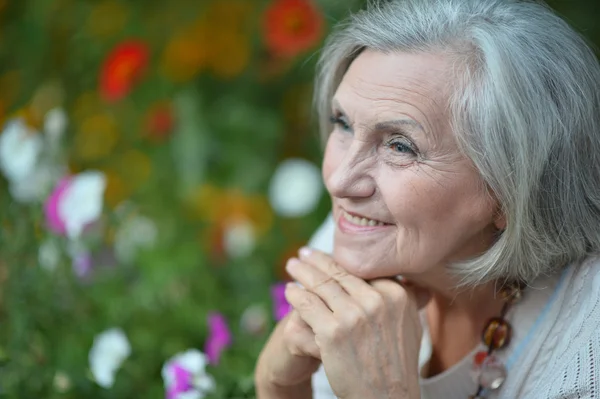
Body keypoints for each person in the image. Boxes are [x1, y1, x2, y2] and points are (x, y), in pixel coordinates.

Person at [255, 0, 600, 398]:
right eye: (344, 124)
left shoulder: (584, 353)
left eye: (400, 146)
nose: (340, 181)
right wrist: (279, 383)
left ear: (510, 190)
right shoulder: (361, 235)